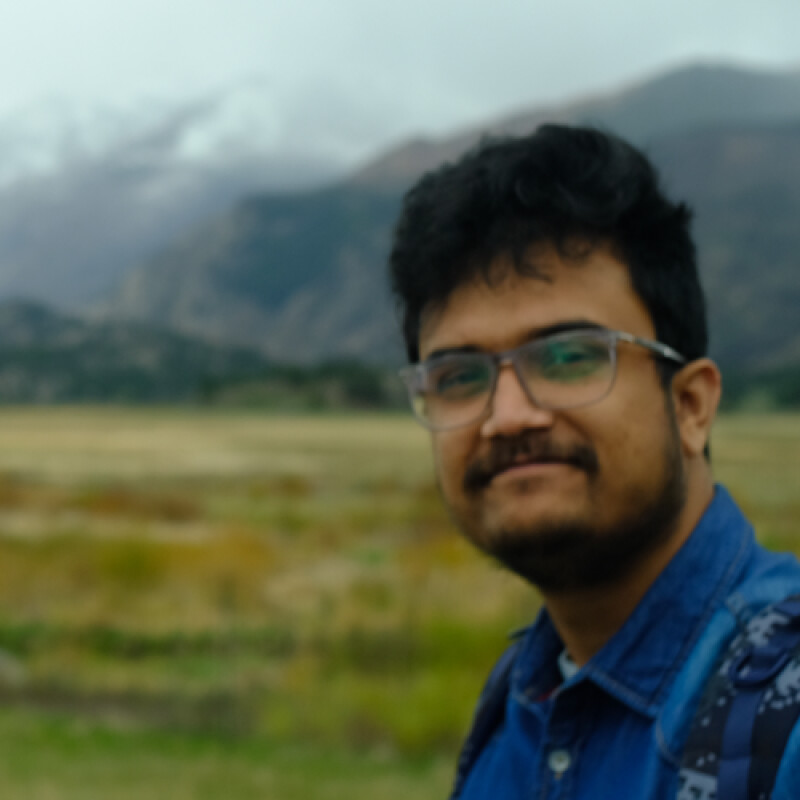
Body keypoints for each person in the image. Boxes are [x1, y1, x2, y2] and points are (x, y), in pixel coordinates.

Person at [387, 124, 800, 799]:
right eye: (459, 375)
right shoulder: (517, 704)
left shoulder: (785, 721)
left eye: (568, 356)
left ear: (691, 405)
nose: (507, 416)